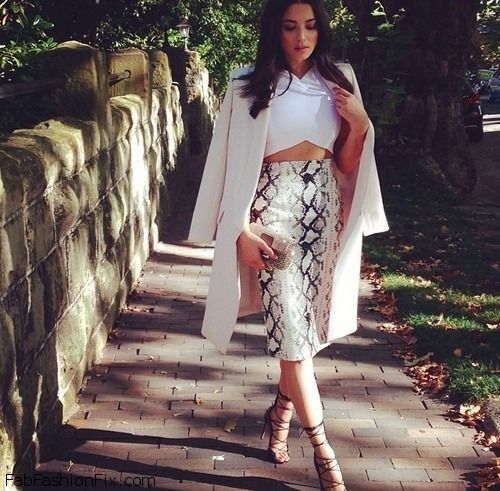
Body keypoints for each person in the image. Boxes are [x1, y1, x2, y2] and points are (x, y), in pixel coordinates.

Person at [188, 0, 389, 489]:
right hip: (271, 218)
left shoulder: (339, 78)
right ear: (273, 30)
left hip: (323, 214)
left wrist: (361, 123)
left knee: (303, 335)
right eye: (291, 27)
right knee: (294, 340)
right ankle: (324, 454)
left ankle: (279, 413)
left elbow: (345, 164)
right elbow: (228, 166)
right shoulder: (245, 85)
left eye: (311, 26)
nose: (302, 37)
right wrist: (239, 231)